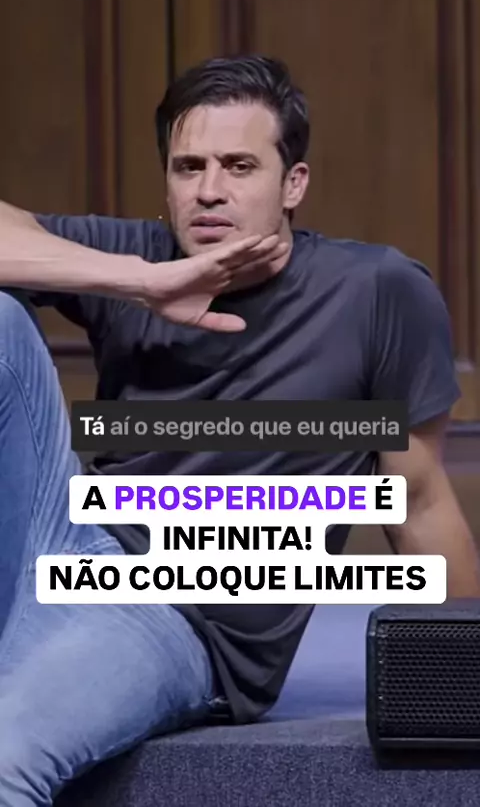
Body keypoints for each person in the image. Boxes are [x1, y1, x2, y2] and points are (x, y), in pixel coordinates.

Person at [0, 54, 478, 805]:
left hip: (177, 613)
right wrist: (141, 282)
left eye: (239, 166)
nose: (209, 190)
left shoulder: (378, 292)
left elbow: (417, 499)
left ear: (294, 184)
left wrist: (464, 681)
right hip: (60, 536)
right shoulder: (139, 259)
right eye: (188, 167)